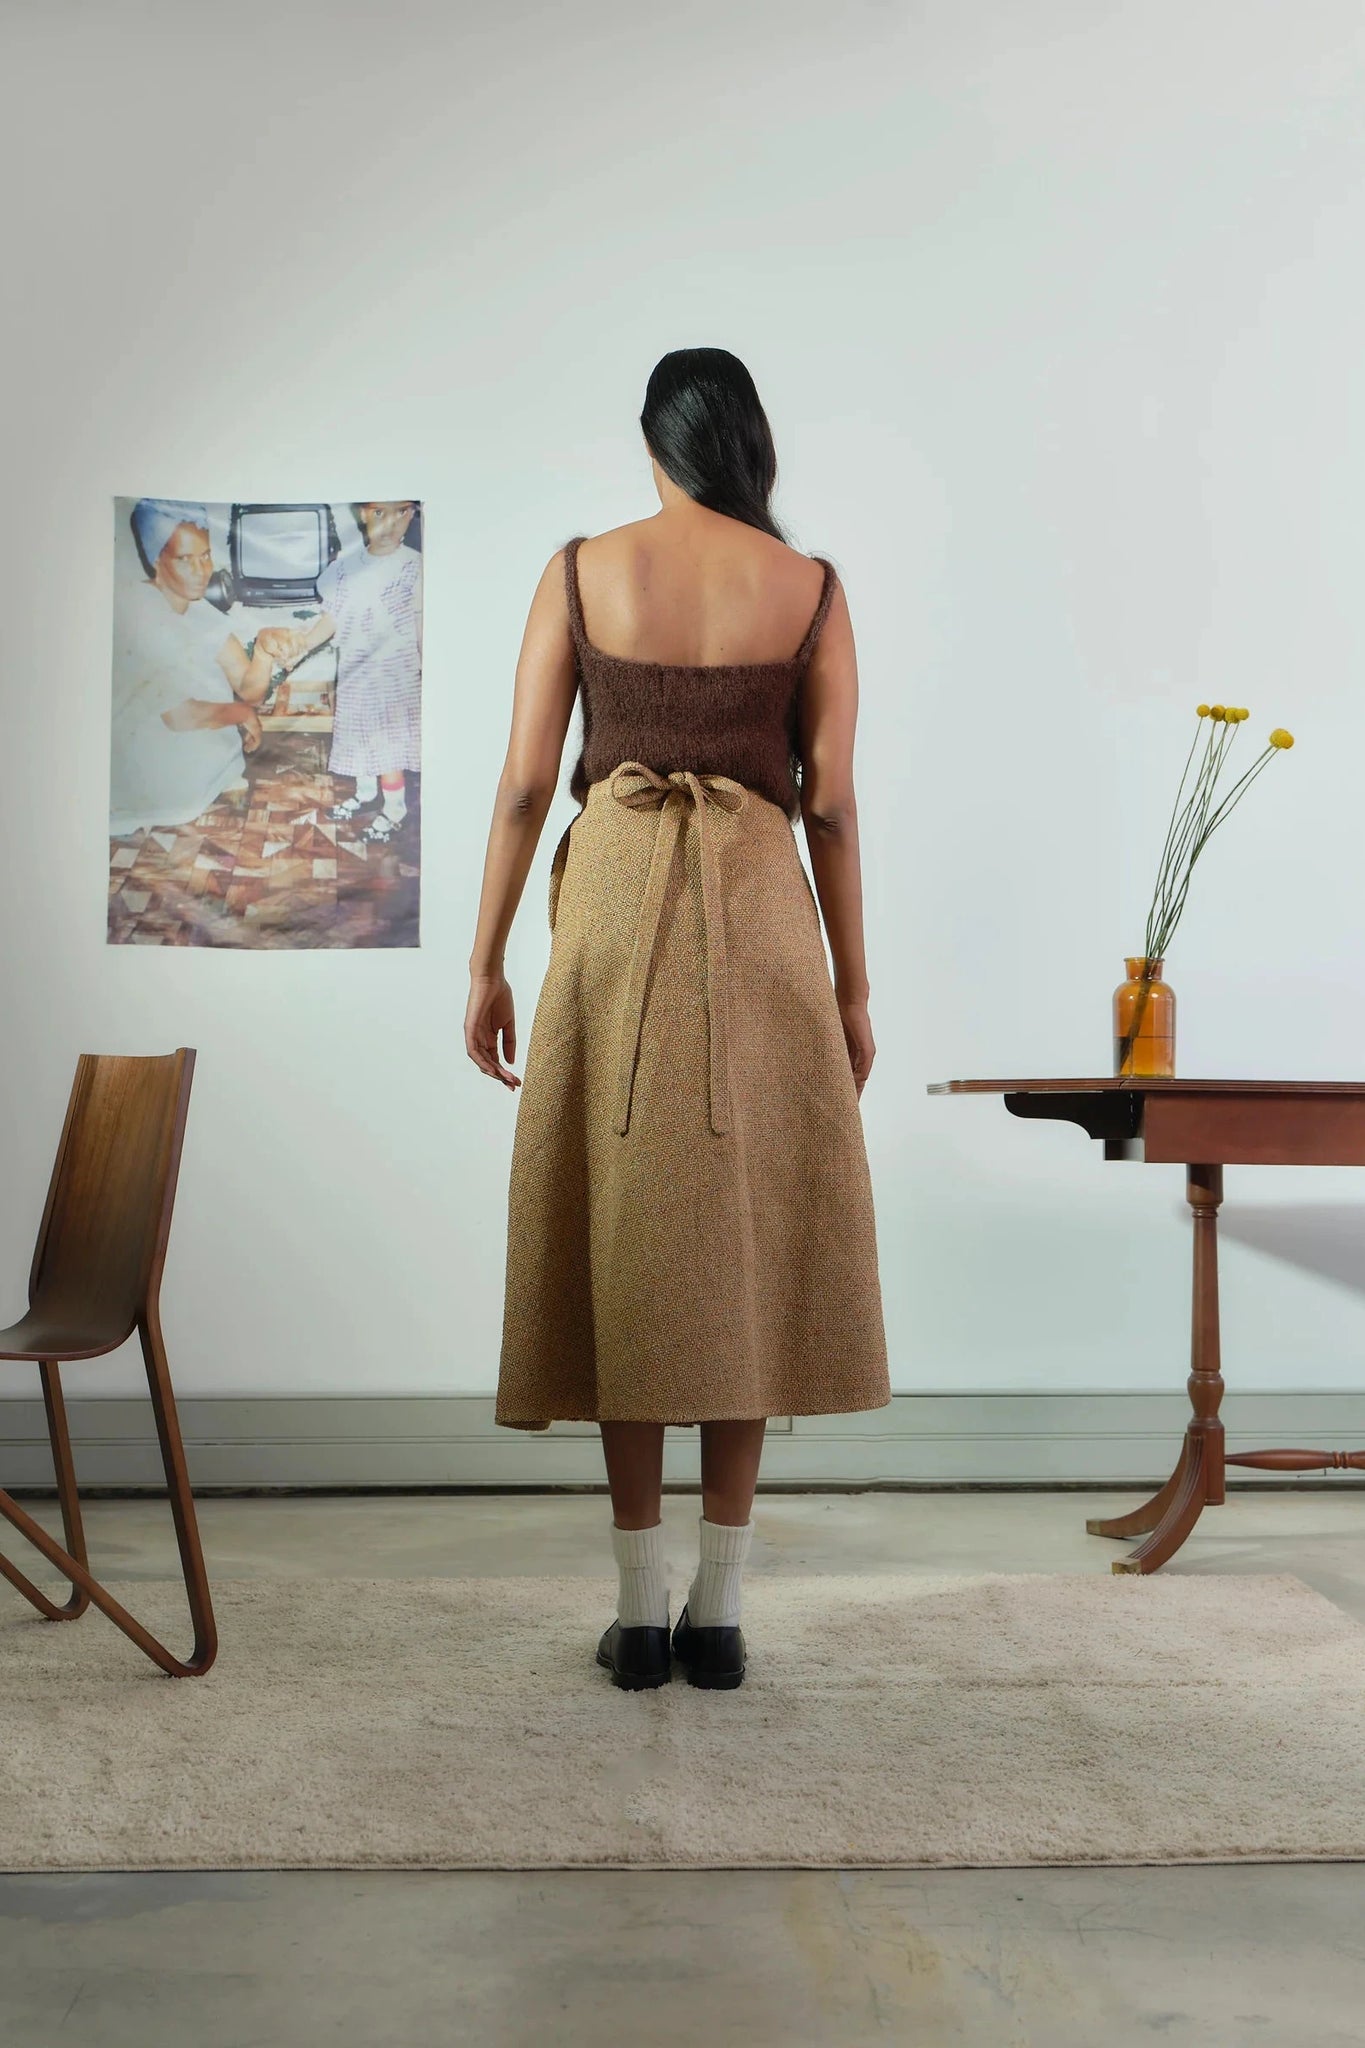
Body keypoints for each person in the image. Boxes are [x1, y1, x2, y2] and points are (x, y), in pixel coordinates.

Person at [465, 348, 891, 1692]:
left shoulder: (585, 567)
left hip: (613, 904)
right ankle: (718, 1615)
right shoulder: (809, 588)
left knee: (626, 1228)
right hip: (761, 911)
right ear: (747, 445)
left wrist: (482, 962)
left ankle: (638, 1613)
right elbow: (828, 800)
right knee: (746, 1237)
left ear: (654, 444)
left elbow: (528, 783)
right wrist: (856, 987)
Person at [110, 499, 280, 836]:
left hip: (219, 777)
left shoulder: (200, 610)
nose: (202, 570)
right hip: (163, 799)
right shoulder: (137, 612)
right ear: (156, 558)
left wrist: (263, 651)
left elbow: (249, 688)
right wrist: (242, 714)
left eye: (205, 556)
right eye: (185, 559)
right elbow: (180, 716)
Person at [266, 502, 422, 844]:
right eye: (379, 513)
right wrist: (302, 646)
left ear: (411, 514)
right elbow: (332, 619)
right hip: (357, 673)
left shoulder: (413, 566)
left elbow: (420, 621)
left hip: (396, 676)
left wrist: (428, 668)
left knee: (387, 746)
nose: (390, 523)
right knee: (358, 738)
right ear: (363, 514)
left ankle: (395, 808)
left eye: (401, 512)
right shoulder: (346, 569)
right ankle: (366, 794)